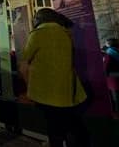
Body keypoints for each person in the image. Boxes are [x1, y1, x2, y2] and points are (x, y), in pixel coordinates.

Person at [20, 8, 89, 147]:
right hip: (67, 91)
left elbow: (23, 64)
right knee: (69, 124)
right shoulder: (66, 33)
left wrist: (29, 88)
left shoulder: (38, 34)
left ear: (40, 19)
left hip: (46, 92)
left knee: (54, 127)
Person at [104, 38, 119, 115]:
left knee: (115, 99)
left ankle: (116, 113)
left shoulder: (109, 53)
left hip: (113, 80)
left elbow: (106, 68)